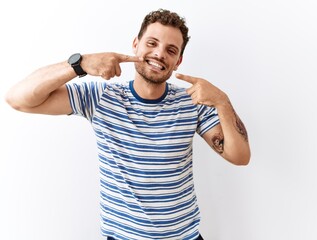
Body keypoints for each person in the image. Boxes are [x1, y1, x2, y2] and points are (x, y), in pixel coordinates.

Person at [5, 8, 250, 240]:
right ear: (136, 44)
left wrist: (222, 102)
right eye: (152, 43)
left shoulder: (192, 101)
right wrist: (79, 64)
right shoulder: (100, 97)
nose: (159, 54)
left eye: (171, 50)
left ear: (178, 61)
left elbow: (240, 156)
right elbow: (18, 99)